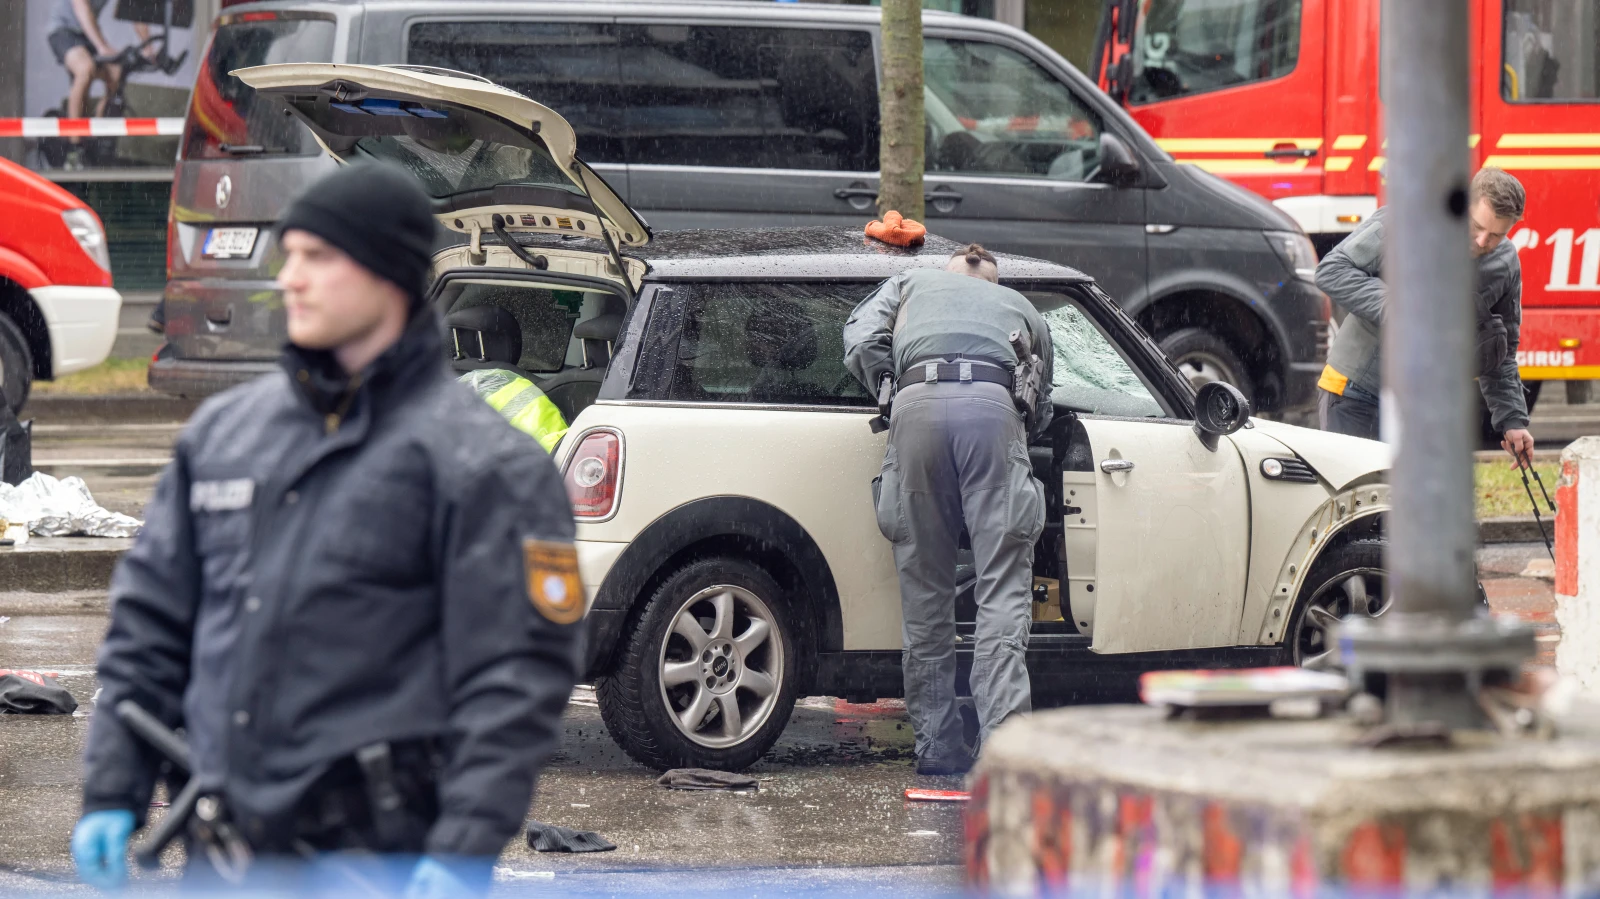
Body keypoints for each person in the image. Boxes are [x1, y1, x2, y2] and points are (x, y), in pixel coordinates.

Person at [70, 162, 582, 895]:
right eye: (291, 256)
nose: (291, 278)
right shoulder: (223, 436)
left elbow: (516, 678)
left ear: (389, 276)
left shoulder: (484, 465)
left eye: (320, 257)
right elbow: (149, 628)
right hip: (224, 856)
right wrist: (112, 790)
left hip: (380, 860)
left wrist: (464, 845)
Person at [843, 244, 1053, 776]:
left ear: (949, 271)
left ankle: (937, 745)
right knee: (1001, 587)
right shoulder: (1020, 307)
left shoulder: (912, 282)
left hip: (916, 410)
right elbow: (1040, 399)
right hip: (992, 412)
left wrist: (891, 391)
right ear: (993, 280)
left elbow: (861, 338)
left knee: (926, 594)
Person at [1316, 166, 1536, 465]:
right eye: (1476, 226)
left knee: (1418, 510)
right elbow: (1333, 270)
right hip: (1355, 393)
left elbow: (1500, 352)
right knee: (1358, 505)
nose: (1484, 241)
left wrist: (1513, 419)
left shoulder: (1505, 264)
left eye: (1496, 235)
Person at [47, 0, 152, 149]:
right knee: (85, 69)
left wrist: (148, 48)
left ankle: (98, 135)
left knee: (115, 72)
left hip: (86, 32)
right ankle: (74, 147)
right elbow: (80, 7)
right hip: (63, 30)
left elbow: (136, 12)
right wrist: (102, 46)